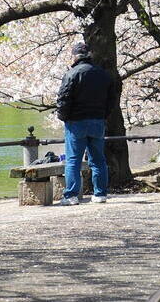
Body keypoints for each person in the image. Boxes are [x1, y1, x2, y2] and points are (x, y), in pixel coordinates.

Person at [56, 42, 115, 205]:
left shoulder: (72, 74)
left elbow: (63, 99)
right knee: (98, 159)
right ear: (89, 55)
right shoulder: (103, 74)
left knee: (73, 160)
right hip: (97, 121)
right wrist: (103, 115)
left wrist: (63, 117)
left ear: (75, 56)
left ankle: (71, 196)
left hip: (76, 122)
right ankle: (100, 194)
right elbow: (112, 100)